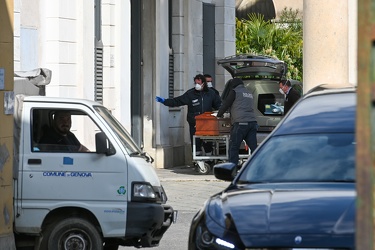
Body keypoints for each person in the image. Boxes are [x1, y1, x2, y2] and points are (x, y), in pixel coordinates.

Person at [155, 74, 222, 155]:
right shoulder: (190, 94)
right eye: (195, 83)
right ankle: (197, 161)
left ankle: (209, 159)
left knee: (207, 143)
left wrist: (221, 113)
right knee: (196, 143)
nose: (197, 85)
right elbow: (178, 101)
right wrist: (165, 101)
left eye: (199, 83)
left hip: (207, 123)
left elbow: (218, 105)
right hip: (194, 123)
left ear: (204, 83)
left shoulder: (211, 94)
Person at [217, 78, 257, 166]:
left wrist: (219, 114)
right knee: (254, 148)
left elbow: (226, 104)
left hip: (240, 123)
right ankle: (259, 166)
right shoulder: (249, 93)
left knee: (233, 147)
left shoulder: (235, 92)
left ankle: (232, 168)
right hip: (252, 122)